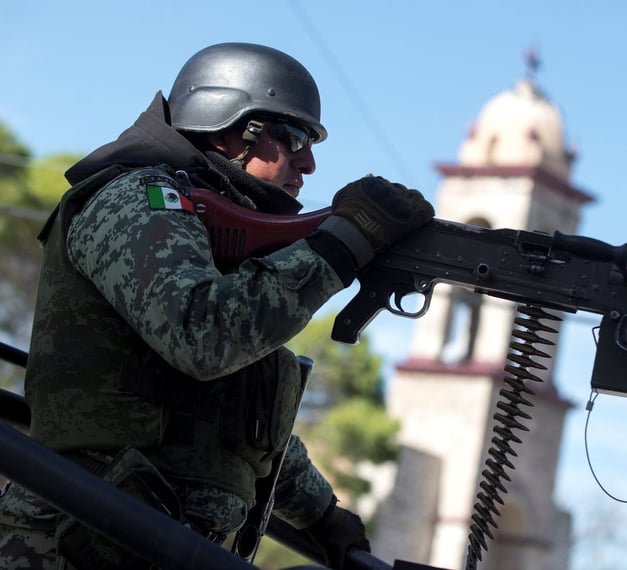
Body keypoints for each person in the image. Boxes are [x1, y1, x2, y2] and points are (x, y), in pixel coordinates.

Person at [0, 42, 434, 569]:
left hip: (151, 542)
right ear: (227, 127)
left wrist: (321, 514)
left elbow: (228, 417)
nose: (310, 162)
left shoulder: (212, 241)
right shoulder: (136, 197)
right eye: (295, 137)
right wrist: (337, 250)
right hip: (74, 544)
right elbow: (202, 335)